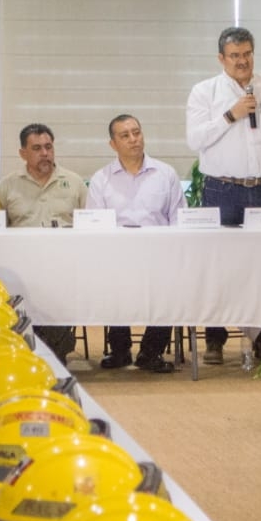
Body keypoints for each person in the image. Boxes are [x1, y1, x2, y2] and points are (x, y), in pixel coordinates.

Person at [186, 26, 261, 362]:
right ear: (221, 58)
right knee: (219, 265)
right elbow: (195, 140)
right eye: (235, 55)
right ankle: (215, 340)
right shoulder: (204, 92)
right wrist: (230, 115)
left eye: (247, 54)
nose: (242, 61)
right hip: (221, 189)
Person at [88, 115, 184, 374]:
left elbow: (178, 219)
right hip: (117, 256)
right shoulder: (101, 179)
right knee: (110, 281)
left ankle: (151, 353)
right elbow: (94, 224)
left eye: (137, 132)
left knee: (170, 285)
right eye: (125, 135)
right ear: (113, 144)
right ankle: (119, 351)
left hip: (159, 254)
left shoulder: (165, 174)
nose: (133, 139)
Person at [0, 123, 87, 365]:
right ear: (23, 153)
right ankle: (37, 352)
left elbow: (90, 228)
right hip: (21, 268)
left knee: (60, 293)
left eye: (48, 147)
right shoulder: (7, 186)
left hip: (64, 267)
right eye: (36, 148)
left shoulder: (75, 183)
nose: (45, 153)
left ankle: (52, 353)